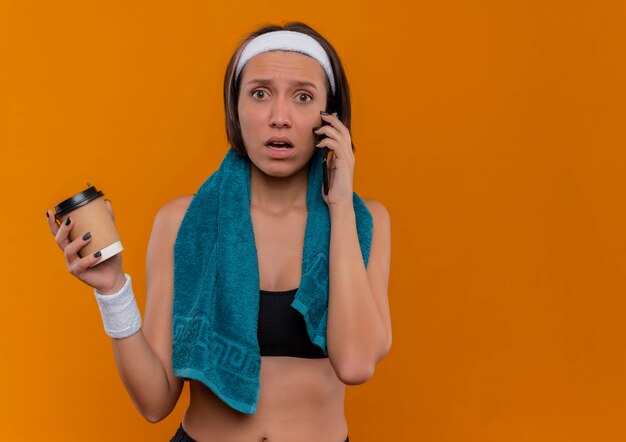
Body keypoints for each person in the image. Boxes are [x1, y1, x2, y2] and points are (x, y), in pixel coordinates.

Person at [45, 21, 392, 442]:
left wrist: (338, 205)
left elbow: (355, 364)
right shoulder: (181, 222)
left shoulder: (364, 220)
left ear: (330, 116)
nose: (279, 118)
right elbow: (155, 403)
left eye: (303, 97)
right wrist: (112, 289)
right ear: (236, 107)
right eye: (260, 93)